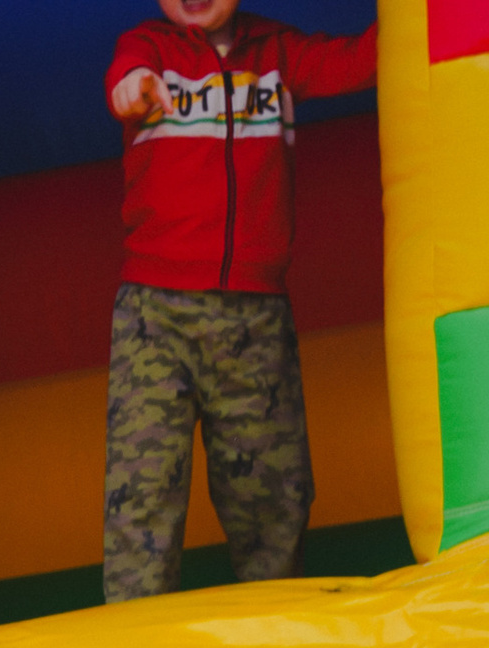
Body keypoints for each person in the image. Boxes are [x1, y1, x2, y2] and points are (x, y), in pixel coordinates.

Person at [102, 0, 377, 602]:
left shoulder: (278, 54)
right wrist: (132, 88)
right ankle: (133, 628)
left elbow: (362, 61)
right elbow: (125, 78)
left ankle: (274, 612)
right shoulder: (149, 49)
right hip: (156, 312)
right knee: (143, 488)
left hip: (254, 313)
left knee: (270, 492)